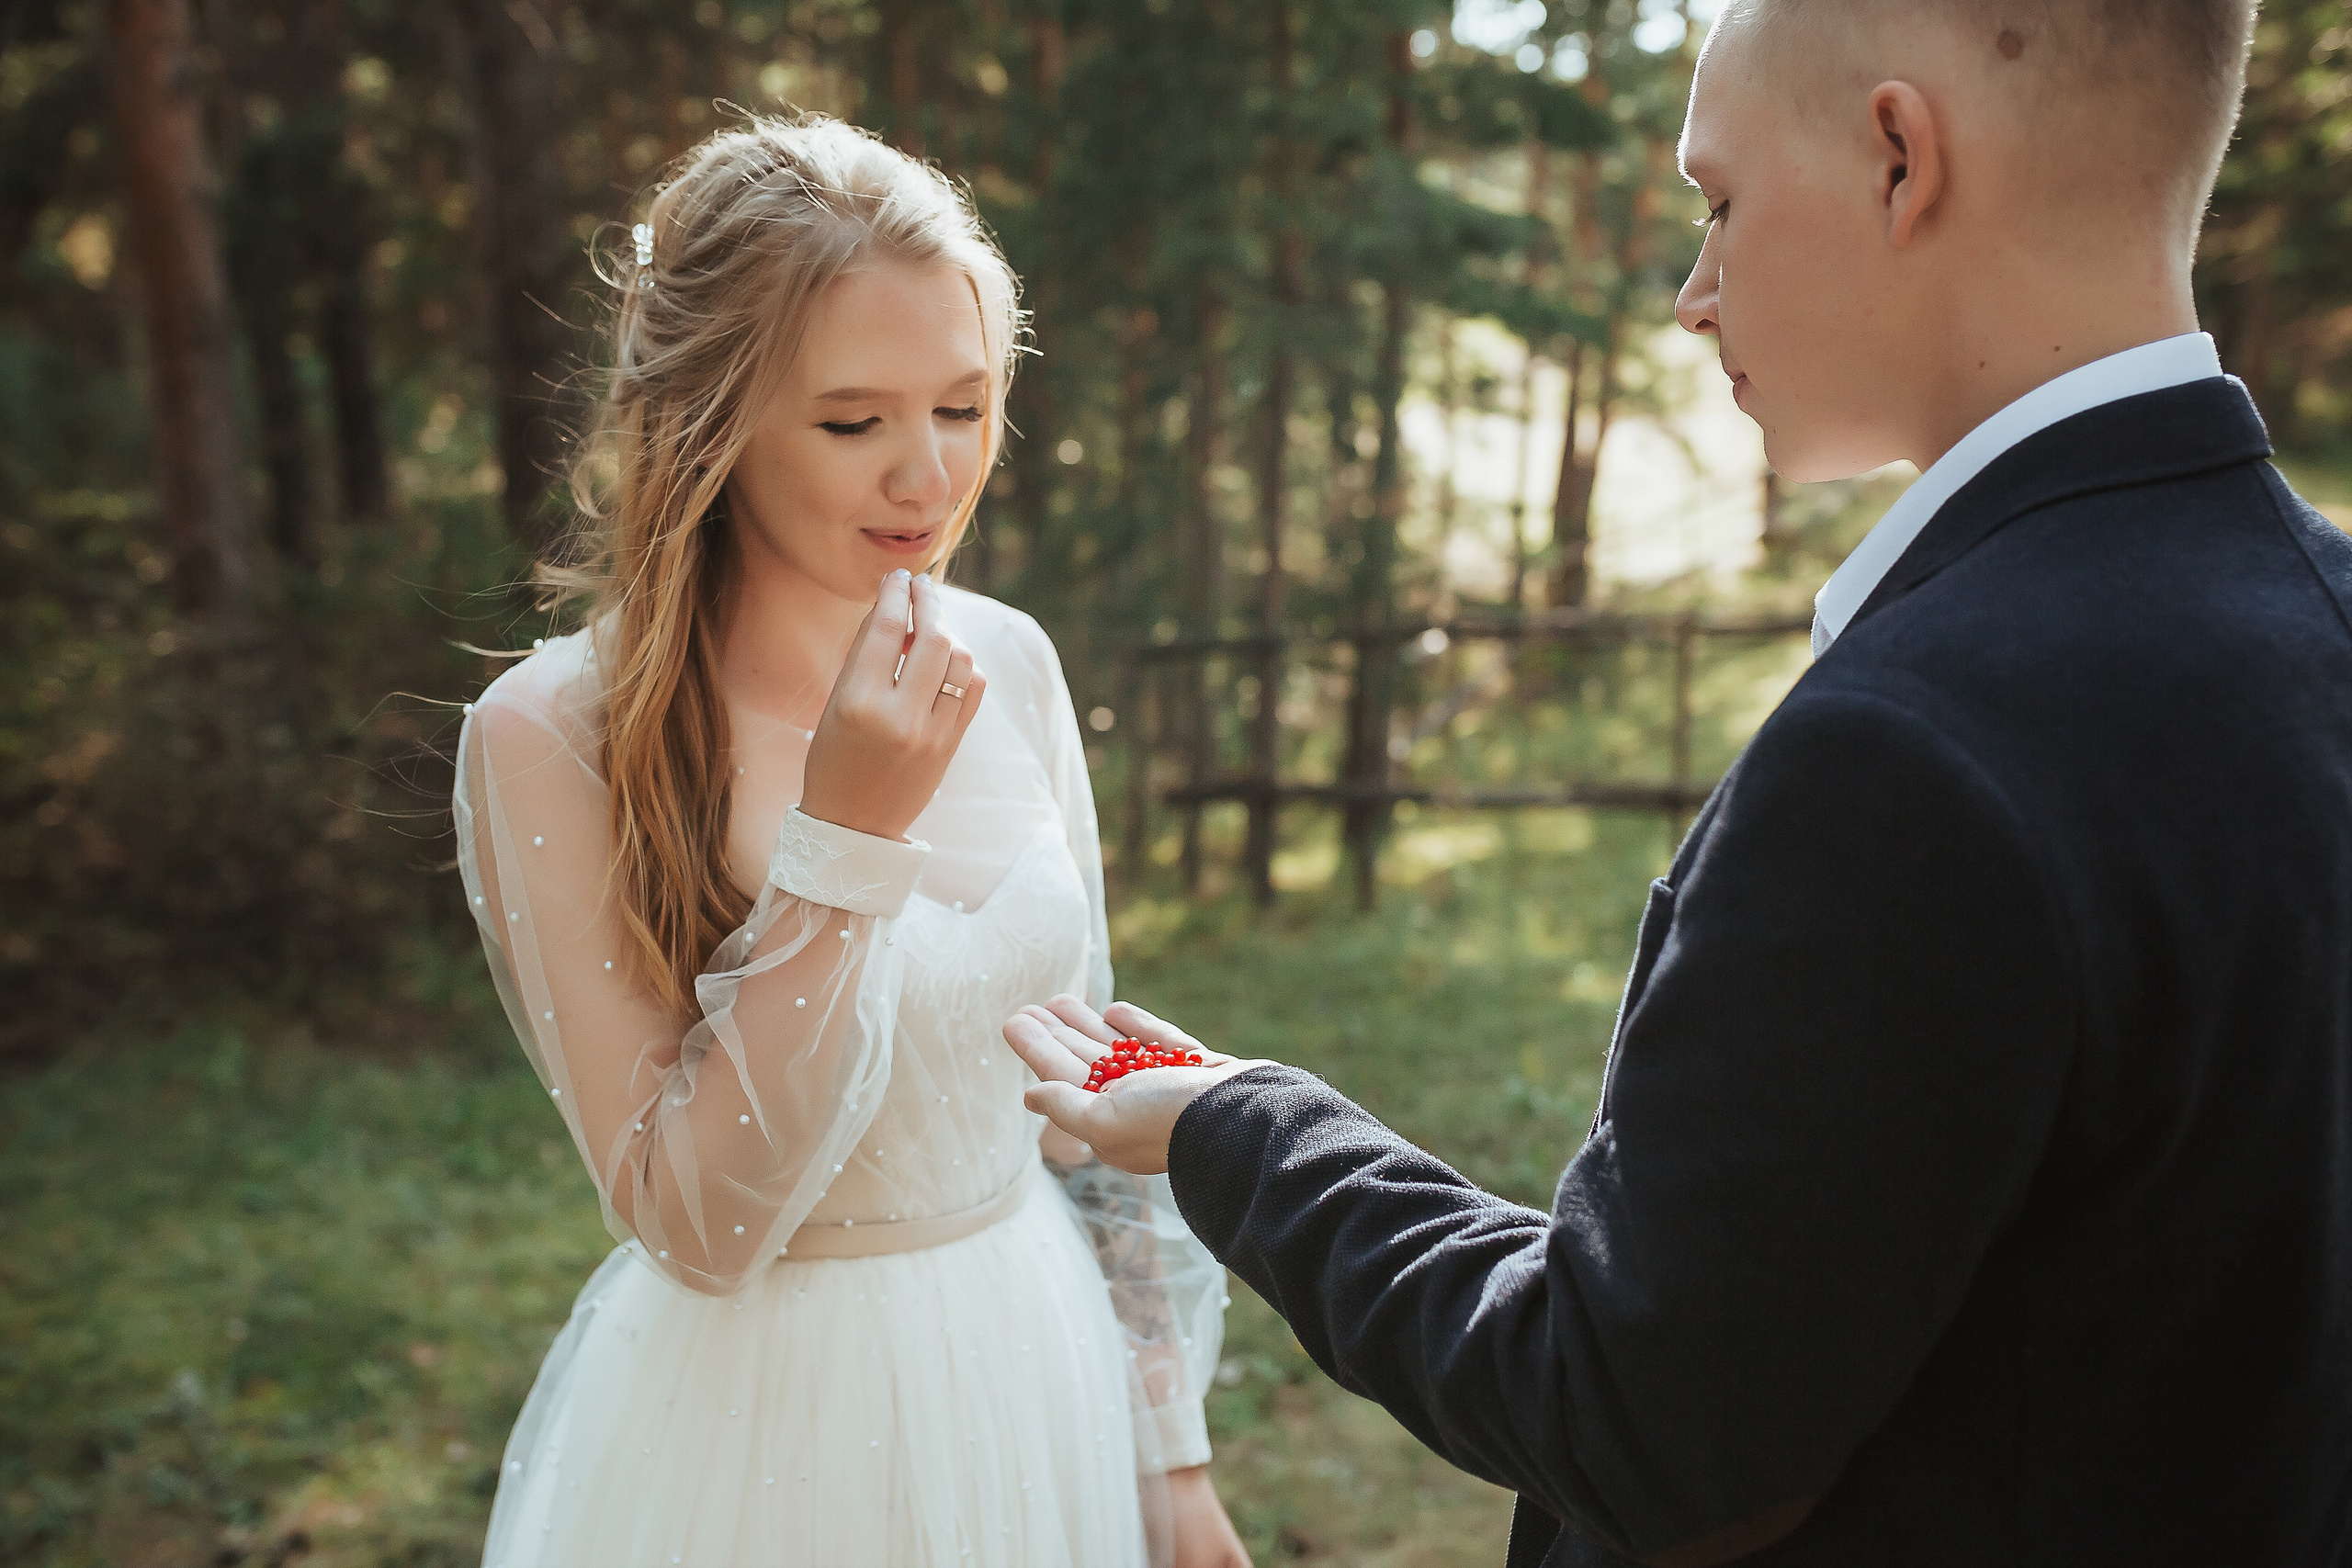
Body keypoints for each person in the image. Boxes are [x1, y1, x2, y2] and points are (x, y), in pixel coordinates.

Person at [1004, 3, 2352, 1564]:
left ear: (1901, 160)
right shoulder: (2319, 627)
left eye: (1719, 201)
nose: (1690, 295)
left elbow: (1636, 1420)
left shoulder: (1911, 759)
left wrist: (1234, 1130)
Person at [454, 115, 1248, 1568]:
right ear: (709, 419)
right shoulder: (552, 732)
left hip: (1036, 1361)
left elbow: (1084, 1075)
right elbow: (696, 1220)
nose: (927, 478)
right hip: (765, 1441)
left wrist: (1167, 1448)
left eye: (963, 406)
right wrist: (841, 845)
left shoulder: (1007, 658)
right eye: (851, 420)